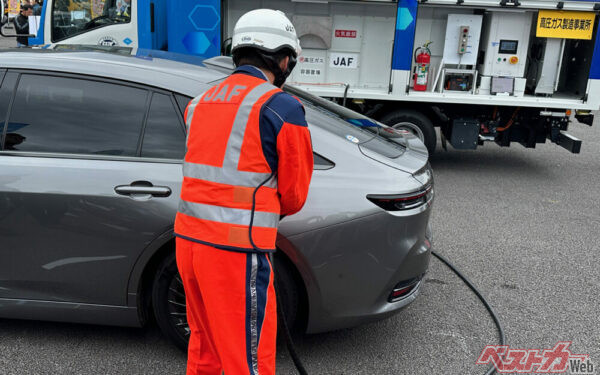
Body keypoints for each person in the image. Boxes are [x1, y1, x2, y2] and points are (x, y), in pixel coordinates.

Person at [174, 8, 313, 375]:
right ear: (283, 59)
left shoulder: (200, 102)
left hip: (188, 245)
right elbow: (295, 195)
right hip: (236, 253)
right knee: (248, 361)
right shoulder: (281, 107)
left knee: (204, 348)